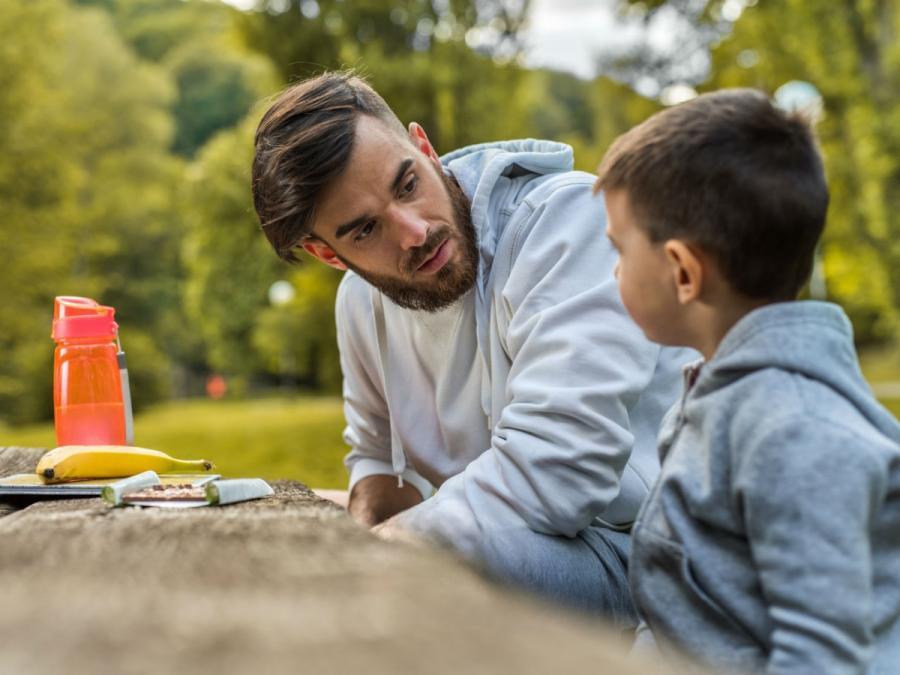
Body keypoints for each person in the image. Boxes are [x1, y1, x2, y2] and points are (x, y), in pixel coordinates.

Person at [251, 71, 690, 620]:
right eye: (365, 230)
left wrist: (378, 552)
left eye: (407, 184)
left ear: (425, 148)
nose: (413, 232)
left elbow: (561, 470)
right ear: (329, 254)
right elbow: (377, 461)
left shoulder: (566, 222)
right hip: (528, 548)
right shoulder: (359, 305)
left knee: (416, 573)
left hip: (661, 559)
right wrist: (367, 526)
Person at [595, 88, 900, 673]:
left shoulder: (795, 429)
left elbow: (822, 658)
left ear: (683, 271)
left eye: (619, 249)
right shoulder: (720, 393)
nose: (613, 270)